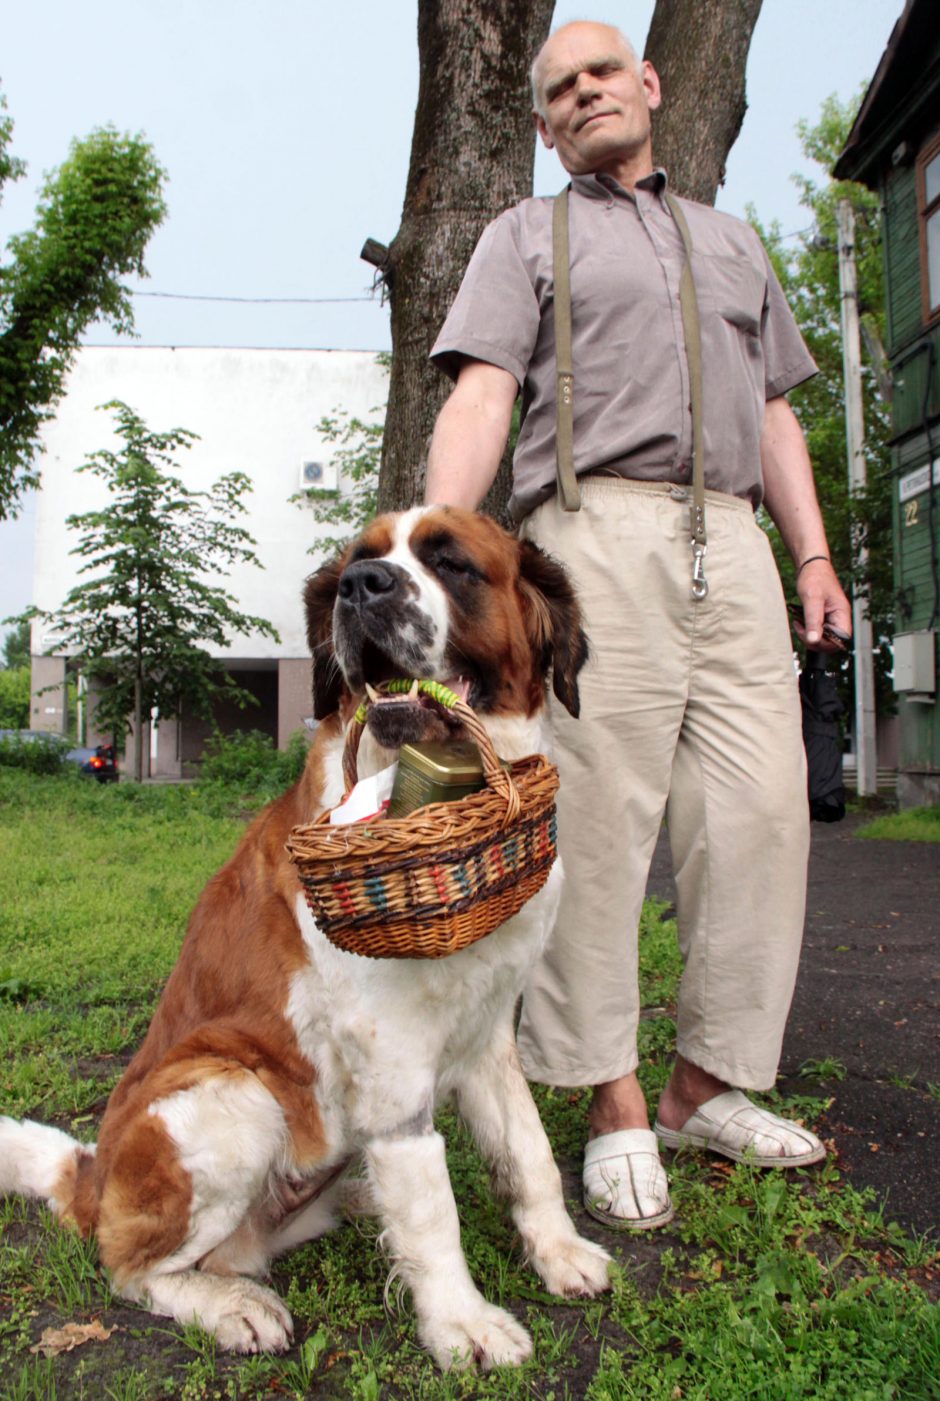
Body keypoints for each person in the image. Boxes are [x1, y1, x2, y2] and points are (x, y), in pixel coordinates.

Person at [424, 20, 852, 1229]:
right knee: (601, 822)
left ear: (649, 86)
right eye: (557, 89)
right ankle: (610, 1100)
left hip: (737, 541)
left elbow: (772, 413)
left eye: (600, 73)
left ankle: (704, 1087)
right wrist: (438, 552)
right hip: (591, 534)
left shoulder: (731, 241)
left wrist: (813, 554)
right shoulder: (525, 235)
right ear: (544, 123)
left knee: (762, 812)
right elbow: (484, 390)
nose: (581, 95)